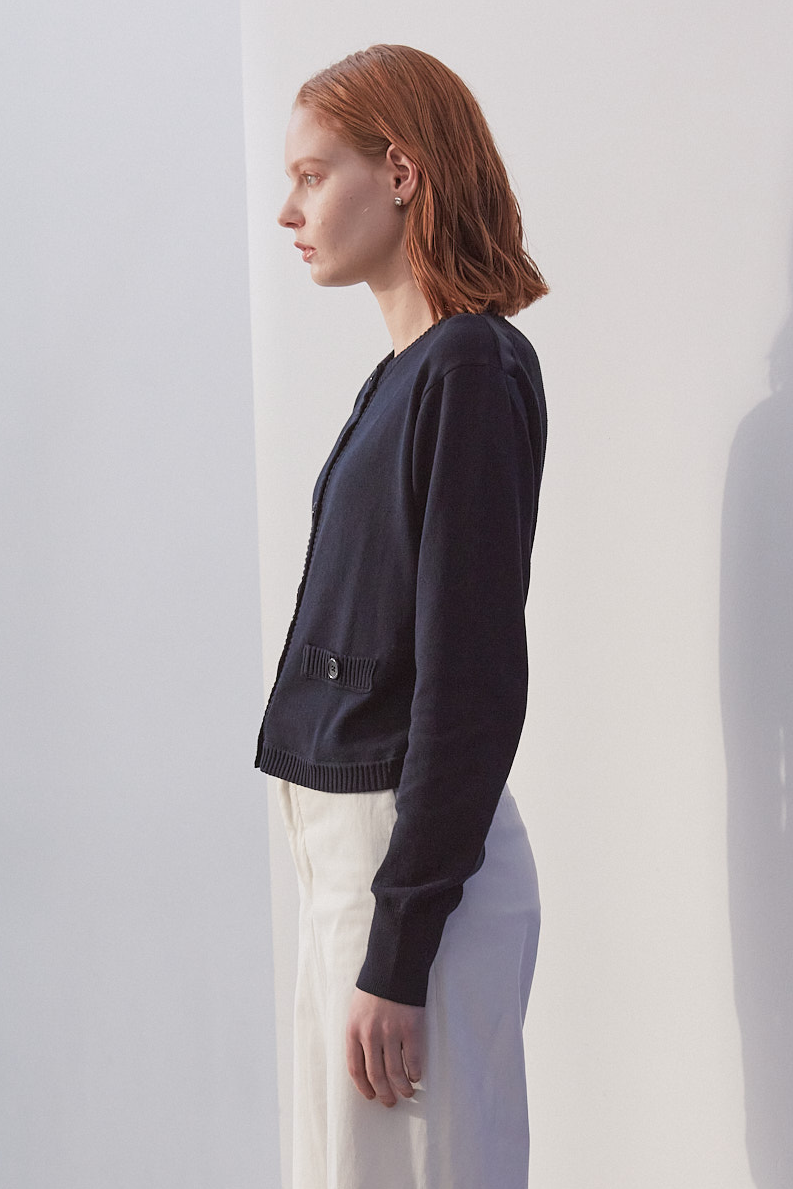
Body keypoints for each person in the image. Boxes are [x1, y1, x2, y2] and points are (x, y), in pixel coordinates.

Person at [255, 43, 548, 1189]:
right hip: (360, 862)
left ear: (401, 172)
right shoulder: (406, 375)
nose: (289, 211)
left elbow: (471, 678)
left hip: (409, 869)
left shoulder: (467, 366)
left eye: (311, 174)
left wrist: (400, 947)